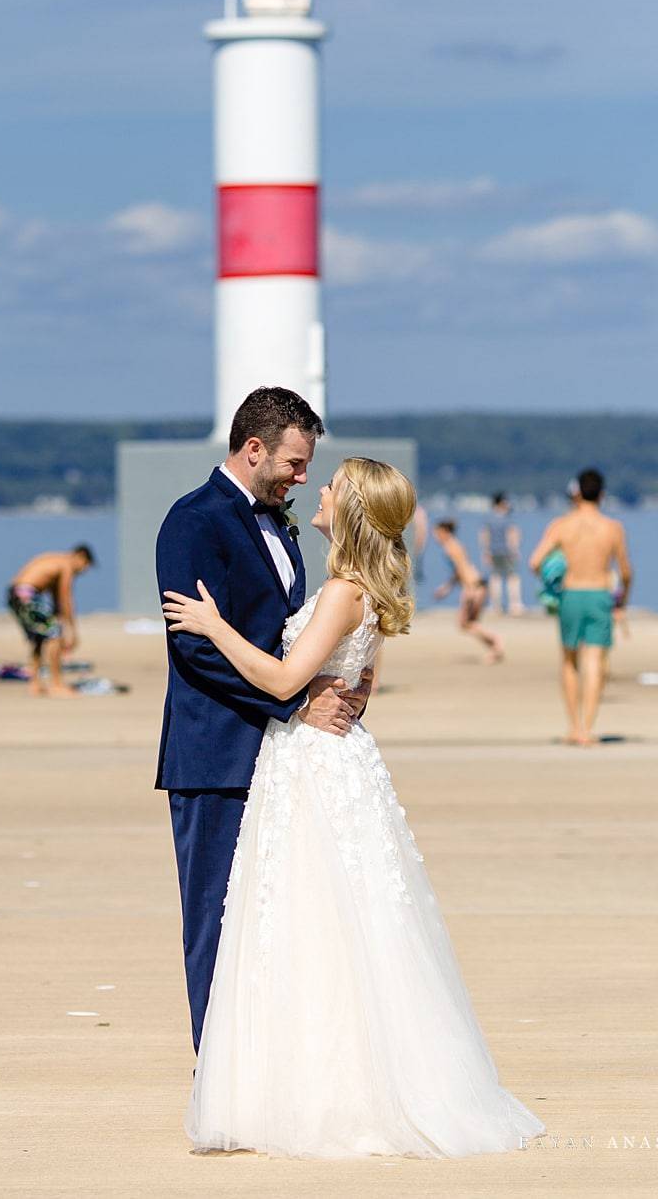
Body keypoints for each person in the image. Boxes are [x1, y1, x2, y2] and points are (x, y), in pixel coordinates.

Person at [163, 457, 544, 1158]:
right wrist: (355, 688)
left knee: (312, 918)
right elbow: (361, 671)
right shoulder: (362, 587)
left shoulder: (342, 590)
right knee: (338, 917)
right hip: (331, 759)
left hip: (313, 764)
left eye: (331, 484)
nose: (319, 489)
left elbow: (282, 676)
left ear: (353, 509)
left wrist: (214, 625)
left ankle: (323, 1092)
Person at [155, 386, 371, 1061]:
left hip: (284, 758)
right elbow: (194, 648)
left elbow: (283, 636)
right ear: (254, 450)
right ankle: (217, 1074)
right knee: (216, 922)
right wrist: (294, 701)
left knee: (276, 917)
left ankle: (270, 1069)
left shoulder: (280, 521)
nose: (303, 479)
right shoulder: (192, 522)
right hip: (215, 755)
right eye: (295, 464)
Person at [529, 469, 632, 748]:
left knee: (569, 660)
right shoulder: (612, 528)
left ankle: (573, 727)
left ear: (577, 493)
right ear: (601, 494)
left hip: (571, 594)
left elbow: (535, 561)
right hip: (599, 593)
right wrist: (622, 599)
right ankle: (588, 728)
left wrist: (552, 581)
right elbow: (625, 571)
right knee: (595, 660)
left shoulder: (561, 525)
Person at [7, 544, 95, 697]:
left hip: (16, 594)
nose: (83, 570)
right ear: (80, 556)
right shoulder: (66, 564)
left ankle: (35, 684)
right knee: (54, 636)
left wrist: (59, 619)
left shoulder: (54, 559)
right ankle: (57, 685)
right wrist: (72, 632)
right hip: (28, 595)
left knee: (39, 638)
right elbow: (65, 599)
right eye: (85, 565)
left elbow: (56, 601)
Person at [432, 520, 505, 663]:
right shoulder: (453, 545)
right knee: (468, 623)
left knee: (465, 622)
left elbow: (462, 569)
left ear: (444, 532)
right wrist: (447, 587)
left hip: (474, 586)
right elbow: (459, 570)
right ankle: (495, 648)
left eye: (436, 533)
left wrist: (469, 590)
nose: (435, 536)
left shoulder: (451, 547)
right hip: (475, 585)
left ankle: (495, 641)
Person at [480, 493, 524, 615]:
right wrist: (515, 550)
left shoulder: (489, 518)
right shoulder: (508, 518)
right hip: (507, 552)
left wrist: (486, 551)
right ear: (501, 503)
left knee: (495, 578)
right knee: (512, 577)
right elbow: (513, 534)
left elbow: (484, 535)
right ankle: (514, 605)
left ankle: (495, 606)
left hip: (493, 551)